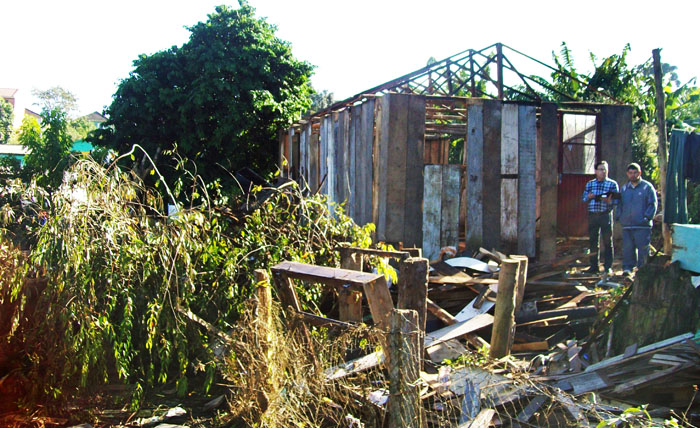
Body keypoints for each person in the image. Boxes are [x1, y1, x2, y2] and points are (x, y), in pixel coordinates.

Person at [616, 163, 657, 276]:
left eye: (635, 173)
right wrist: (619, 217)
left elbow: (652, 204)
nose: (633, 175)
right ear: (627, 174)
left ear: (639, 173)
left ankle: (643, 270)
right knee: (628, 248)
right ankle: (627, 268)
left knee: (643, 248)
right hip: (627, 225)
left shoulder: (647, 187)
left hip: (642, 225)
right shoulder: (624, 189)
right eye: (630, 173)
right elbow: (620, 204)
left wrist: (646, 218)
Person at [582, 161, 619, 275]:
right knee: (593, 241)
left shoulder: (612, 184)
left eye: (605, 169)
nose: (603, 172)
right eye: (600, 169)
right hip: (593, 215)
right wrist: (589, 196)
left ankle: (608, 267)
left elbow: (616, 199)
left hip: (605, 214)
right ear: (596, 171)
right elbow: (583, 198)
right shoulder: (590, 184)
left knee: (607, 241)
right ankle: (594, 266)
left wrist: (605, 198)